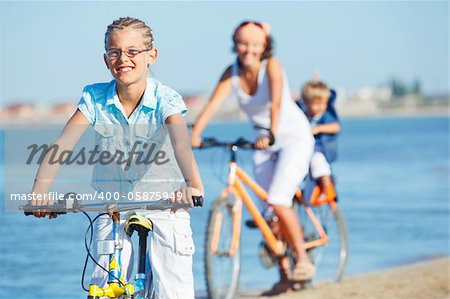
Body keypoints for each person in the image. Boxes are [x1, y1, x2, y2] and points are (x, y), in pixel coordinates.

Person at [29, 17, 204, 299]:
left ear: (151, 56)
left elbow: (181, 146)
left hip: (165, 206)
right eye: (115, 52)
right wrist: (40, 193)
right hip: (111, 207)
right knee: (103, 289)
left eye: (133, 51)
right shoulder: (94, 98)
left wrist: (193, 186)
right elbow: (61, 146)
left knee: (175, 291)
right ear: (106, 58)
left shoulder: (165, 99)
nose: (123, 58)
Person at [191, 20, 315, 293]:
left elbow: (276, 102)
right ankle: (285, 276)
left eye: (255, 44)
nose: (248, 49)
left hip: (292, 138)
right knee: (265, 215)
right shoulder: (231, 72)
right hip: (261, 142)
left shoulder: (272, 65)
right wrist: (195, 133)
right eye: (243, 44)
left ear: (265, 46)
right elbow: (213, 104)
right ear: (235, 44)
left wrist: (271, 132)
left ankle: (303, 260)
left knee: (278, 199)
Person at [297, 81, 340, 201]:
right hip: (304, 149)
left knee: (318, 162)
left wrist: (317, 129)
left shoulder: (325, 116)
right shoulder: (302, 114)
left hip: (321, 149)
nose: (320, 107)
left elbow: (336, 127)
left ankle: (327, 189)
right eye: (316, 104)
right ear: (306, 103)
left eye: (323, 103)